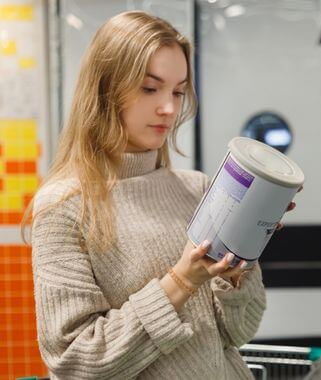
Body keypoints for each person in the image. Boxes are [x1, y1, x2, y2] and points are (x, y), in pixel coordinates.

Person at [24, 11, 295, 379]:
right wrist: (181, 282)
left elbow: (238, 332)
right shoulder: (65, 207)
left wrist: (239, 264)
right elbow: (75, 359)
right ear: (105, 89)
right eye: (150, 88)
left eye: (178, 91)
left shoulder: (197, 189)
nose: (169, 108)